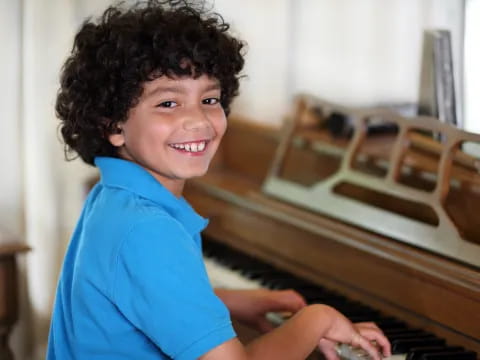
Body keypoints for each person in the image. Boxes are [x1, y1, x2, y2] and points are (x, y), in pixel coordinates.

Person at [47, 1, 391, 359]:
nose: (199, 120)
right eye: (168, 103)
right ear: (113, 125)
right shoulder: (147, 229)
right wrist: (315, 320)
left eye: (210, 98)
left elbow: (145, 297)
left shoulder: (115, 197)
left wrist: (228, 302)